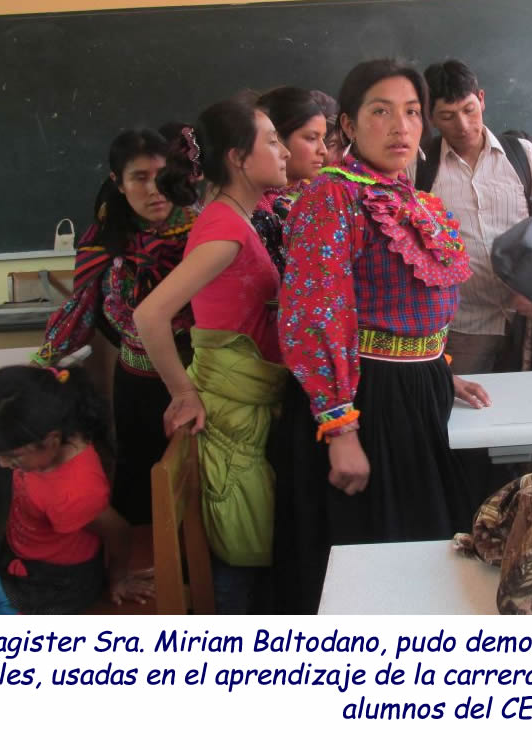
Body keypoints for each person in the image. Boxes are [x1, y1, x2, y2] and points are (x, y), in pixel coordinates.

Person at [276, 58, 491, 613]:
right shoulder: (333, 198)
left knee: (425, 549)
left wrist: (438, 367)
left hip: (416, 391)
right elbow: (315, 316)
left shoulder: (405, 196)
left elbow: (407, 309)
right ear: (348, 124)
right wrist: (341, 431)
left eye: (413, 112)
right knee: (382, 561)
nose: (401, 127)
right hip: (366, 403)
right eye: (381, 112)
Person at [133, 93, 290, 614]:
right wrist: (183, 393)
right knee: (240, 556)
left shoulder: (244, 215)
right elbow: (149, 316)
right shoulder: (225, 231)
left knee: (247, 543)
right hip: (232, 413)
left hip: (247, 403)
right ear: (239, 158)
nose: (285, 151)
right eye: (273, 142)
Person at [32, 128, 200, 526]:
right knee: (140, 483)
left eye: (161, 176)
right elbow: (81, 309)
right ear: (118, 183)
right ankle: (144, 560)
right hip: (136, 386)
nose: (154, 189)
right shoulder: (104, 239)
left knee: (198, 491)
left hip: (198, 380)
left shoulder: (203, 233)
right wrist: (43, 362)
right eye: (139, 178)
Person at [0, 366, 152, 615]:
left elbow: (119, 531)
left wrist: (119, 579)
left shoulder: (74, 492)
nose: (3, 464)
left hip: (51, 587)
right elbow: (11, 445)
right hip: (20, 553)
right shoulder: (52, 435)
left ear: (50, 441)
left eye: (12, 457)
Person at [420, 59, 532, 376]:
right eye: (447, 116)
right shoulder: (421, 167)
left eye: (469, 110)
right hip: (461, 326)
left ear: (481, 99)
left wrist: (530, 284)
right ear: (430, 117)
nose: (463, 125)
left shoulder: (522, 155)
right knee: (466, 403)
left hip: (529, 317)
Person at [252, 86, 330, 267]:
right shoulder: (252, 204)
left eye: (324, 138)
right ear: (276, 139)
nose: (323, 150)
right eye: (311, 138)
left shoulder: (321, 194)